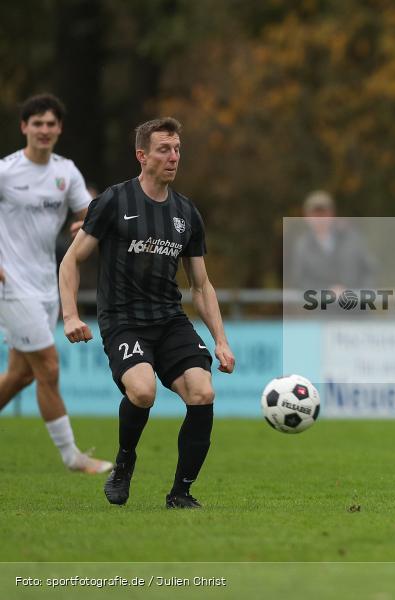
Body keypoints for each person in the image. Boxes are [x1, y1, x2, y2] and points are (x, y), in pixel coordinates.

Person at [59, 117, 236, 509]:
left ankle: (181, 493)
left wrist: (221, 341)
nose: (173, 157)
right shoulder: (114, 201)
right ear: (142, 155)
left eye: (177, 150)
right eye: (164, 149)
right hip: (123, 320)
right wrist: (70, 315)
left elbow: (201, 285)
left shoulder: (186, 212)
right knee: (142, 391)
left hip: (169, 320)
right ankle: (124, 463)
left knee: (203, 392)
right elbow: (71, 261)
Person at [0, 93, 112, 474]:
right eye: (37, 123)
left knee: (20, 375)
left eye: (51, 124)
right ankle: (72, 456)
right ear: (24, 127)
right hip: (11, 285)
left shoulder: (66, 172)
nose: (44, 130)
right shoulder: (7, 171)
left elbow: (89, 213)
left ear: (59, 129)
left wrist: (85, 225)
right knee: (48, 367)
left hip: (47, 284)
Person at [289, 190, 375, 296]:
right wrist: (327, 291)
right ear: (306, 217)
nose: (320, 219)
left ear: (332, 215)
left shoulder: (352, 238)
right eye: (315, 215)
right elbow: (300, 281)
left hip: (355, 304)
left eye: (323, 214)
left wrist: (359, 294)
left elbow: (369, 270)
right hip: (320, 305)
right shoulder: (302, 246)